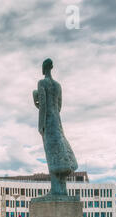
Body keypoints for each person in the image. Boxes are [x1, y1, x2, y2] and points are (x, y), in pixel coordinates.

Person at [33, 58, 78, 196]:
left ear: (43, 69)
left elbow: (43, 105)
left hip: (47, 122)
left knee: (52, 155)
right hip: (57, 122)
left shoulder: (42, 83)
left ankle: (55, 189)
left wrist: (35, 101)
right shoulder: (58, 86)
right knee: (59, 153)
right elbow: (59, 106)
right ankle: (62, 189)